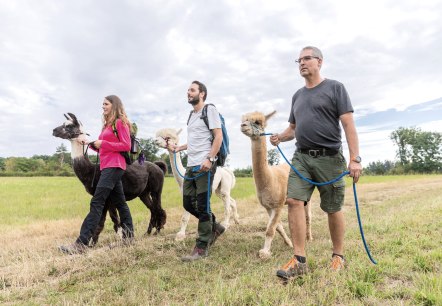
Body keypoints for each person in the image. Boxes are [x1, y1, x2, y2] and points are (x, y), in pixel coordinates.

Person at [269, 46, 362, 280]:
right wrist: (280, 136)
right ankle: (299, 260)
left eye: (307, 58)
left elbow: (348, 125)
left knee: (332, 208)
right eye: (298, 60)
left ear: (319, 61)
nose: (302, 63)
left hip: (330, 158)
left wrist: (355, 158)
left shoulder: (335, 88)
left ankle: (338, 256)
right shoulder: (297, 96)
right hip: (301, 157)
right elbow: (293, 129)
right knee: (293, 201)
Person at [59, 95, 135, 254]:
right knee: (120, 203)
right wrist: (89, 143)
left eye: (106, 104)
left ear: (114, 105)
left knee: (97, 202)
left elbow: (126, 145)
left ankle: (81, 243)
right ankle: (129, 237)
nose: (103, 106)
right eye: (102, 104)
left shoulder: (120, 123)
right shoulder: (107, 126)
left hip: (115, 166)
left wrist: (104, 143)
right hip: (106, 165)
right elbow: (103, 147)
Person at [172, 80, 226, 261]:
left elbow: (217, 135)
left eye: (192, 90)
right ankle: (215, 226)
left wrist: (210, 159)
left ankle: (201, 248)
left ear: (202, 93)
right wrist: (178, 148)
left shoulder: (209, 110)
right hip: (191, 165)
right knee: (188, 202)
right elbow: (195, 141)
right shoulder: (191, 115)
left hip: (204, 165)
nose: (188, 92)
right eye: (188, 90)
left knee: (203, 205)